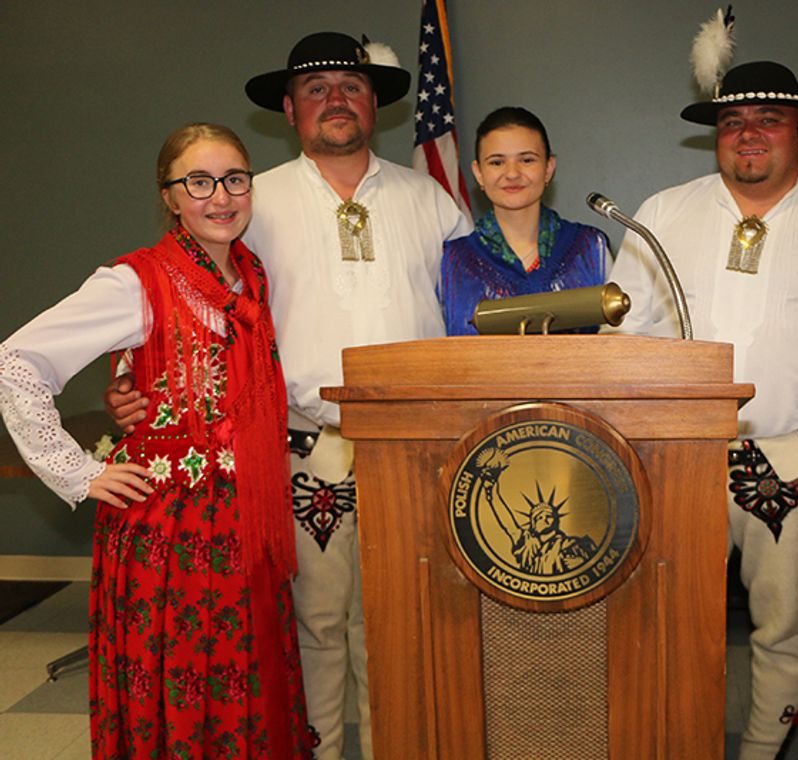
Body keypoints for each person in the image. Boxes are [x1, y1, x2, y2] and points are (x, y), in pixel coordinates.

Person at [107, 32, 471, 760]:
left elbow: (468, 307)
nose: (336, 100)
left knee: (403, 628)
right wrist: (129, 381)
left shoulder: (428, 198)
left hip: (413, 453)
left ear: (376, 103)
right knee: (312, 629)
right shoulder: (250, 198)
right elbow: (179, 288)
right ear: (289, 109)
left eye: (351, 86)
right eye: (316, 89)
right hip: (303, 452)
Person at [607, 61, 798, 760]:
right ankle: (676, 742)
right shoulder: (663, 212)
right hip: (680, 456)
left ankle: (762, 753)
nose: (748, 135)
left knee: (781, 626)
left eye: (768, 119)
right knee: (669, 621)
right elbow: (622, 334)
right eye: (732, 122)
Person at [0, 124, 310, 758]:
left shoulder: (252, 276)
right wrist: (78, 471)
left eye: (235, 179)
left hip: (247, 521)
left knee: (245, 681)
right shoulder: (134, 282)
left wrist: (125, 383)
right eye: (198, 182)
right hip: (170, 534)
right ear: (170, 197)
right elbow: (17, 363)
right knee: (181, 687)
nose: (220, 197)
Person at [439, 106, 610, 335]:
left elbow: (619, 344)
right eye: (496, 162)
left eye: (527, 160)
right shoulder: (452, 260)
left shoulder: (590, 248)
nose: (512, 174)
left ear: (548, 169)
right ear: (478, 173)